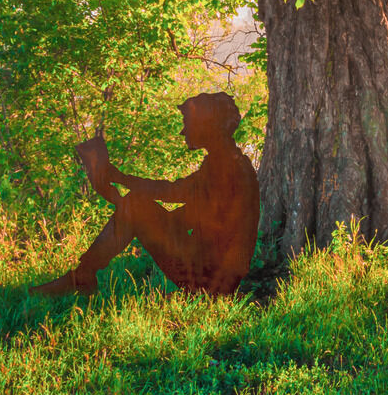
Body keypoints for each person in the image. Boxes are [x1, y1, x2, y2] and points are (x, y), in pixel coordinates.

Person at [32, 92, 260, 296]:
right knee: (135, 205)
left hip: (211, 280)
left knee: (136, 205)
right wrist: (127, 207)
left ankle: (82, 277)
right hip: (214, 275)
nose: (183, 131)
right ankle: (82, 276)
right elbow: (195, 213)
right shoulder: (228, 161)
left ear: (207, 125)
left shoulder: (225, 166)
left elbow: (174, 192)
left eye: (188, 123)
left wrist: (122, 183)